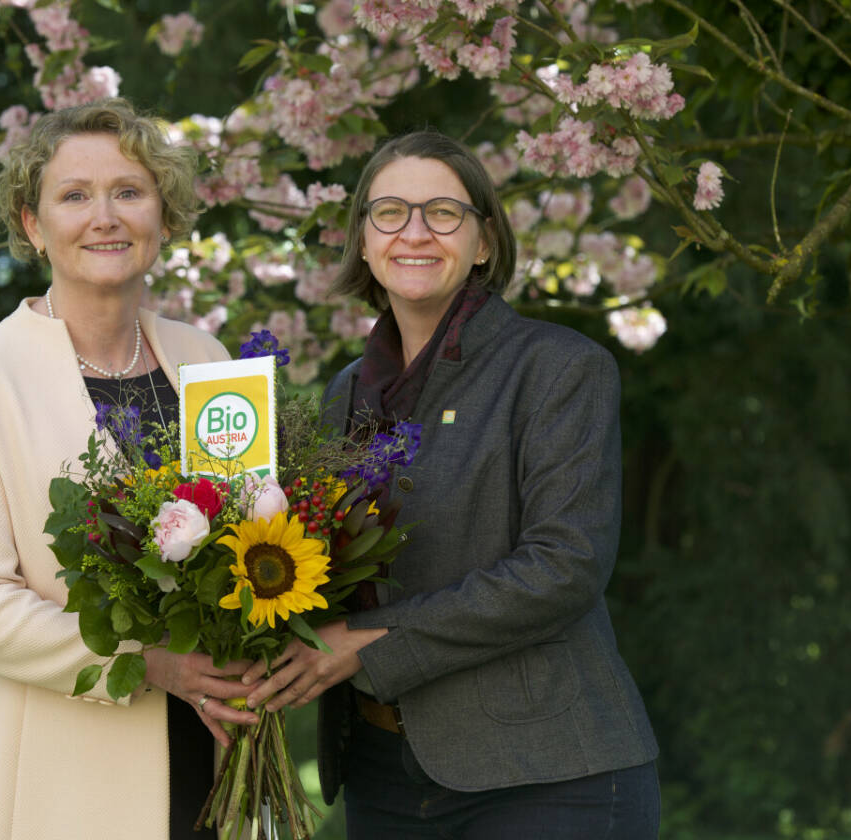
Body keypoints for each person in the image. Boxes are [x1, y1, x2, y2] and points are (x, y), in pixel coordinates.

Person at [241, 130, 660, 838]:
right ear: (364, 241)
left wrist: (366, 639)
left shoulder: (559, 369)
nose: (414, 233)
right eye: (390, 213)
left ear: (485, 241)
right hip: (380, 775)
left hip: (545, 773)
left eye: (442, 213)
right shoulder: (345, 394)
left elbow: (564, 568)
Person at [0, 99, 258, 840]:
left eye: (129, 192)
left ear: (163, 217)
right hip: (62, 775)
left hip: (218, 753)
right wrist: (150, 661)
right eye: (74, 196)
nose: (105, 217)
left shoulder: (209, 361)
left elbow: (260, 537)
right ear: (33, 227)